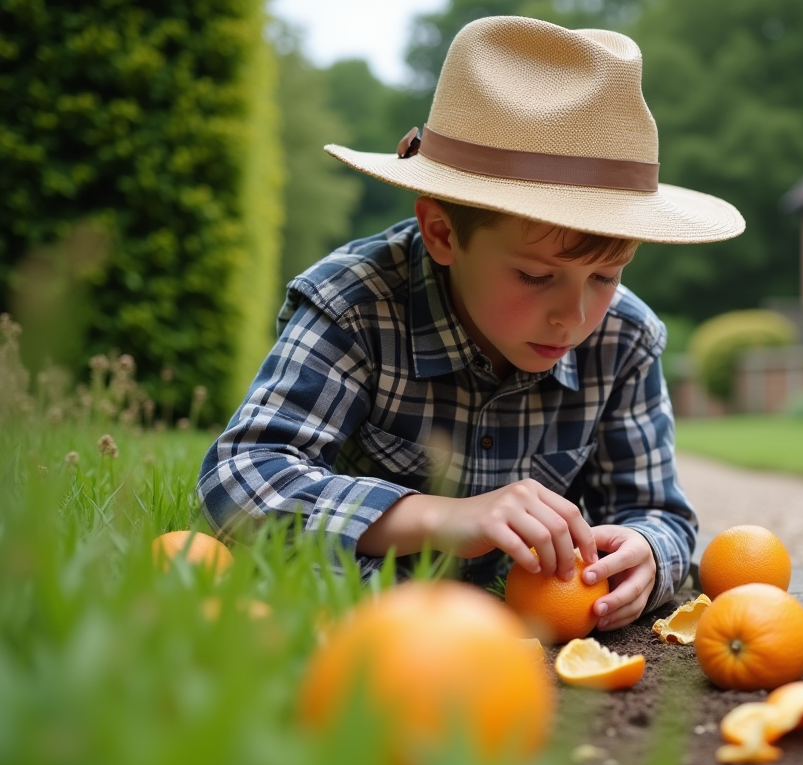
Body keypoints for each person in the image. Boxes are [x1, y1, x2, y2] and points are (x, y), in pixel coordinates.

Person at [196, 15, 744, 631]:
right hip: (365, 627)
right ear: (441, 233)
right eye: (535, 277)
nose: (575, 315)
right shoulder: (355, 302)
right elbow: (239, 478)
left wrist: (648, 554)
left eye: (605, 277)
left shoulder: (623, 339)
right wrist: (440, 517)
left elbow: (658, 514)